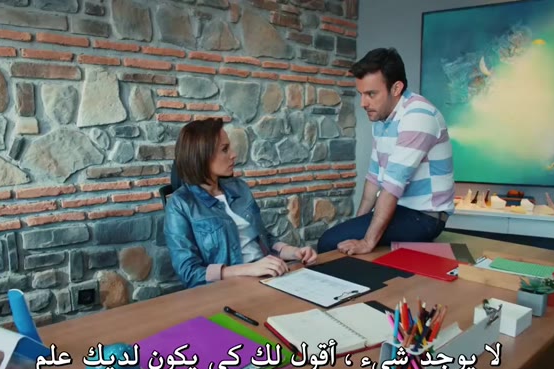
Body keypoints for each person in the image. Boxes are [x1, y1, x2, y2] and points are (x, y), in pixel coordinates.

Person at [317, 47, 455, 255]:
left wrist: (367, 241)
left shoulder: (418, 116)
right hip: (402, 211)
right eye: (361, 94)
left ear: (396, 88)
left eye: (371, 94)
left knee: (328, 242)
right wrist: (357, 224)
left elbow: (392, 185)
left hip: (425, 217)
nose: (363, 103)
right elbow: (374, 179)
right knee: (339, 239)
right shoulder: (382, 119)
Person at [164, 118, 318, 289]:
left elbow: (264, 238)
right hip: (228, 289)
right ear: (202, 156)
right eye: (224, 149)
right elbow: (189, 272)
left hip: (268, 277)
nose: (233, 154)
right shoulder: (180, 204)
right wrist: (248, 269)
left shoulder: (239, 188)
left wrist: (294, 252)